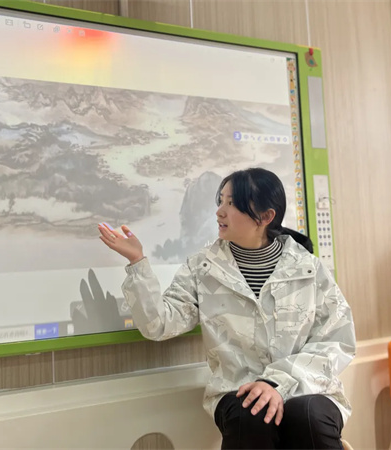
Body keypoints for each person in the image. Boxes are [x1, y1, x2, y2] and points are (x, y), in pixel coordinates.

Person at [97, 167, 356, 449]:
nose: (219, 211)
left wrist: (276, 384)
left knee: (307, 415)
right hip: (238, 390)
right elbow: (158, 324)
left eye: (231, 203)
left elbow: (337, 339)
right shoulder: (202, 267)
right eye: (220, 201)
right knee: (251, 415)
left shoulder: (308, 268)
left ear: (266, 216)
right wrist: (137, 263)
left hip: (306, 386)